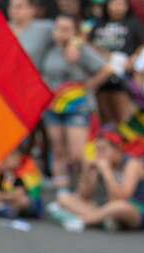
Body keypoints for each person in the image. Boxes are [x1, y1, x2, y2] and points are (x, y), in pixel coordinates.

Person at [40, 14, 111, 186]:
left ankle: (82, 188)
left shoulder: (80, 48)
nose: (61, 33)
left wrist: (89, 85)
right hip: (53, 105)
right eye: (58, 29)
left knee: (77, 152)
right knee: (58, 148)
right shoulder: (49, 48)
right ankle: (60, 188)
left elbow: (106, 70)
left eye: (66, 29)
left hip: (78, 106)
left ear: (74, 31)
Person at [49, 130, 144, 231]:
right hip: (106, 208)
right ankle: (103, 220)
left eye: (103, 149)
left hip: (135, 210)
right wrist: (88, 172)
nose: (99, 154)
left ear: (117, 149)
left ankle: (83, 220)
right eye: (97, 150)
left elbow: (122, 197)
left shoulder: (132, 164)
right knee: (64, 198)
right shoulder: (102, 163)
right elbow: (84, 195)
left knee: (119, 206)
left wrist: (107, 172)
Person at [88, 0, 144, 124]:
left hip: (123, 76)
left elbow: (143, 44)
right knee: (103, 116)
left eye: (122, 3)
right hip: (101, 75)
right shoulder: (98, 23)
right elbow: (88, 43)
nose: (118, 6)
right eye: (115, 2)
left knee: (123, 117)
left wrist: (134, 58)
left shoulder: (133, 23)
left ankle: (122, 143)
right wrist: (103, 54)